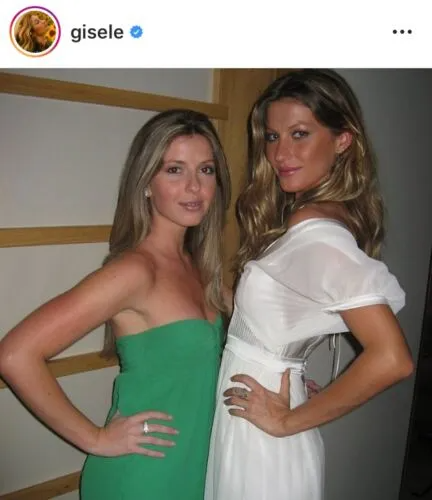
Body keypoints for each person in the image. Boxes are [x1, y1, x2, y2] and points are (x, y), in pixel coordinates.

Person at [0, 109, 231, 500]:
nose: (194, 186)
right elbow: (15, 355)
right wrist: (96, 438)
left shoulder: (201, 267)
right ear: (146, 183)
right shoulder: (134, 271)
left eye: (205, 170)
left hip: (192, 466)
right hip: (141, 477)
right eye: (174, 170)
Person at [205, 69, 414, 500]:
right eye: (272, 136)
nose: (281, 153)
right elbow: (270, 319)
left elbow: (393, 358)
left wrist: (288, 420)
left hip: (264, 439)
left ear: (343, 140)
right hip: (253, 420)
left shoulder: (316, 229)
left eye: (300, 134)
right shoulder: (315, 219)